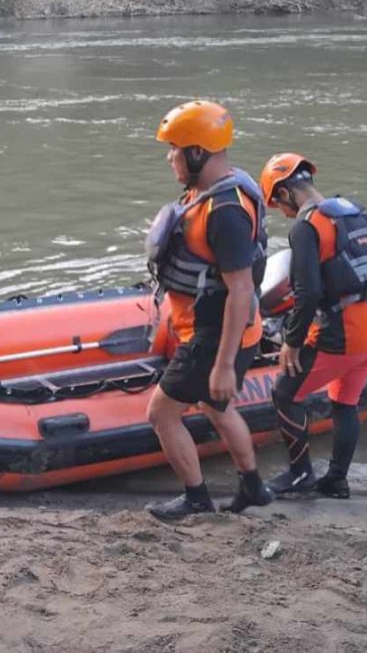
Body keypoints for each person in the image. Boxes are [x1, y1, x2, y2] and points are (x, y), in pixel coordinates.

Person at [143, 100, 274, 519]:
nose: (169, 158)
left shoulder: (226, 212)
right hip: (216, 328)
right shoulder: (208, 192)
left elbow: (239, 290)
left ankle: (197, 498)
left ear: (198, 152)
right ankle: (253, 486)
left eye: (175, 150)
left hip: (215, 334)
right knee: (216, 407)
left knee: (161, 414)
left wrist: (222, 365)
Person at [258, 153, 367, 499]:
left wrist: (292, 341)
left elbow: (308, 292)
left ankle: (301, 474)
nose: (282, 211)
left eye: (278, 203)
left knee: (284, 394)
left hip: (342, 334)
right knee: (345, 403)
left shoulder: (306, 226)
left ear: (286, 192)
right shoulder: (356, 211)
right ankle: (336, 480)